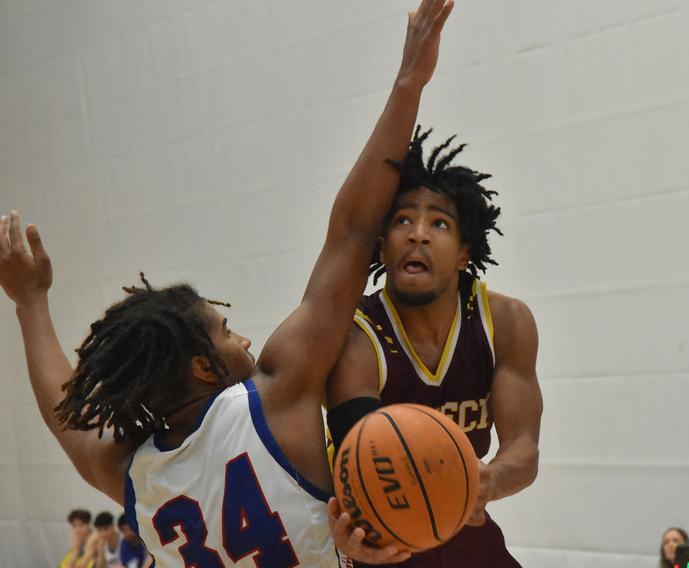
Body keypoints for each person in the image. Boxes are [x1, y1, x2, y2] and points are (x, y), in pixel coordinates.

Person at [0, 1, 452, 565]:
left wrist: (29, 303)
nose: (243, 340)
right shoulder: (275, 395)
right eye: (226, 330)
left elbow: (64, 416)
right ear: (200, 365)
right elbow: (355, 233)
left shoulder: (133, 477)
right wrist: (409, 84)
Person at [325, 129, 543, 567]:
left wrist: (486, 482)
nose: (418, 235)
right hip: (383, 540)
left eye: (439, 223)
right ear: (382, 244)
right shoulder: (355, 336)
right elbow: (364, 466)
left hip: (463, 527)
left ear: (465, 253)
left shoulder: (504, 322)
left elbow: (524, 448)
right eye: (402, 220)